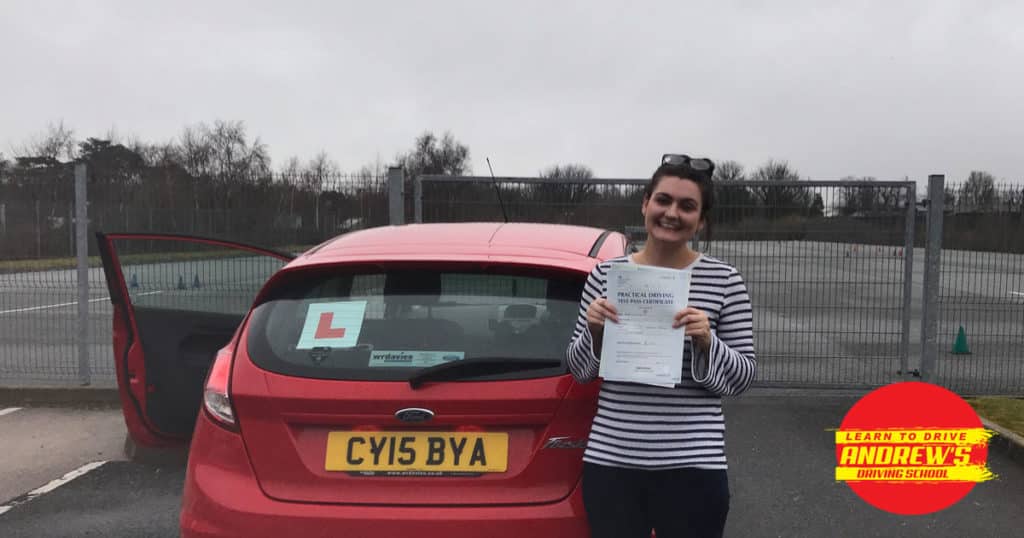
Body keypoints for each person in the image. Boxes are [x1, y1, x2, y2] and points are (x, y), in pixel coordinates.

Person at [566, 154, 756, 538]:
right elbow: (579, 370)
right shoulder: (606, 275)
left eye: (687, 206)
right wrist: (594, 332)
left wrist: (708, 342)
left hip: (694, 465)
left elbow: (743, 377)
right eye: (663, 200)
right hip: (613, 461)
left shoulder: (725, 280)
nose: (672, 213)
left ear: (701, 220)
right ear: (645, 204)